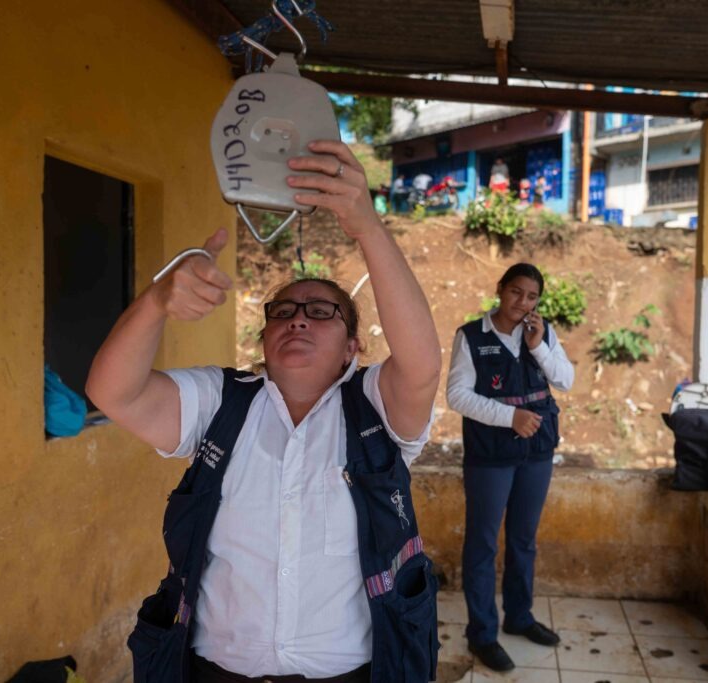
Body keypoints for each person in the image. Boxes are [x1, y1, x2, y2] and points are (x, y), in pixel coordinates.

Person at [86, 139, 443, 683]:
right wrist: (156, 301)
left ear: (352, 347)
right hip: (215, 672)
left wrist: (368, 227)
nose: (298, 319)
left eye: (321, 311)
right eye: (284, 312)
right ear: (265, 336)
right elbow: (115, 393)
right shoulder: (222, 402)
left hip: (351, 674)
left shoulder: (375, 410)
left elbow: (420, 366)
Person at [446, 263, 575, 672]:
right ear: (500, 289)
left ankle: (519, 617)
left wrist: (539, 346)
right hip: (490, 454)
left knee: (524, 540)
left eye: (532, 296)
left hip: (536, 451)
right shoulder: (471, 336)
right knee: (483, 543)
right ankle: (483, 633)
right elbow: (457, 396)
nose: (523, 303)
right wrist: (508, 417)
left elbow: (567, 380)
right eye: (516, 292)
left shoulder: (543, 332)